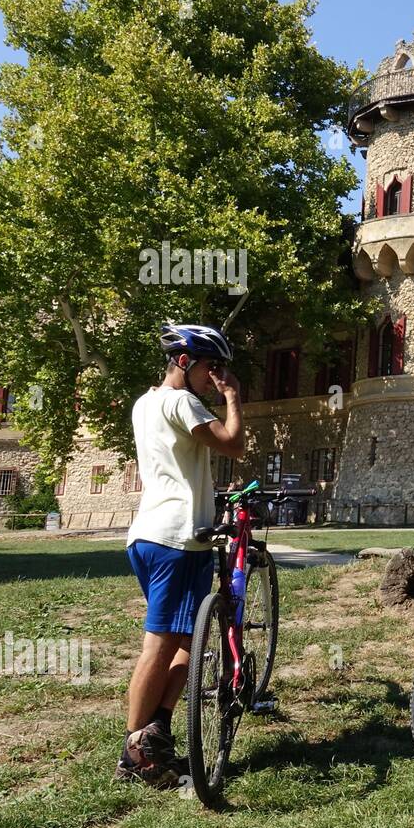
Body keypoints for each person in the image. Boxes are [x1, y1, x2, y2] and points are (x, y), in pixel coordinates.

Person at [118, 325, 245, 786]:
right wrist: (232, 397)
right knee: (161, 645)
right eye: (212, 367)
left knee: (189, 643)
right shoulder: (181, 402)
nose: (216, 376)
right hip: (176, 540)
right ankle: (133, 753)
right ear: (187, 363)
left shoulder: (145, 402)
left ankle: (157, 732)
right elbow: (234, 443)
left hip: (153, 535)